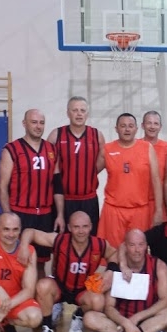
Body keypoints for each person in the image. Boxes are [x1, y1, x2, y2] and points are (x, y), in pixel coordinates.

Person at [20, 211, 118, 332]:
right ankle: (47, 329)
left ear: (91, 226)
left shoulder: (99, 244)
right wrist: (23, 246)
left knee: (98, 301)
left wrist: (110, 271)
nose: (81, 231)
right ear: (69, 227)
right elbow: (30, 232)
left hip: (82, 289)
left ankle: (79, 314)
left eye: (85, 226)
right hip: (60, 286)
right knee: (42, 286)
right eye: (76, 227)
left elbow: (114, 254)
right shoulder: (59, 240)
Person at [86, 229, 167, 332]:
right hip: (120, 322)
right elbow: (109, 307)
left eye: (140, 245)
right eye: (132, 245)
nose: (137, 250)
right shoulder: (117, 267)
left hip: (147, 320)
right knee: (89, 318)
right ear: (125, 247)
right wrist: (126, 323)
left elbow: (166, 301)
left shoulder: (158, 266)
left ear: (146, 246)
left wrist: (137, 318)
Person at [0, 109, 58, 278]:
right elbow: (2, 187)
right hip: (21, 213)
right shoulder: (12, 149)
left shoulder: (51, 149)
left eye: (41, 123)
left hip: (45, 215)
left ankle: (39, 295)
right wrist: (8, 216)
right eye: (34, 122)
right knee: (17, 261)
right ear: (24, 124)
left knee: (40, 263)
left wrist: (59, 214)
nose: (38, 126)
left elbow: (56, 184)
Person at [98, 113, 162, 248]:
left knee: (137, 251)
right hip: (113, 210)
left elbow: (156, 181)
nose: (127, 129)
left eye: (130, 126)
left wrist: (158, 210)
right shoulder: (107, 149)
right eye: (123, 126)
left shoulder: (146, 148)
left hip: (140, 211)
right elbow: (90, 173)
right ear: (116, 129)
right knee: (112, 252)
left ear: (136, 129)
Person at [47, 96, 105, 234]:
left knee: (90, 239)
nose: (79, 114)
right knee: (63, 240)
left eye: (82, 110)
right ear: (68, 113)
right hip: (63, 200)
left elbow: (102, 160)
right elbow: (48, 164)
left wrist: (87, 173)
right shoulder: (56, 135)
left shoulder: (97, 135)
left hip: (89, 200)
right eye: (75, 110)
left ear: (87, 114)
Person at [142, 110, 167, 223]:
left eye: (156, 123)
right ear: (142, 125)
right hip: (138, 205)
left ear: (160, 127)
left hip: (159, 203)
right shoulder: (134, 145)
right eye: (149, 123)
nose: (152, 127)